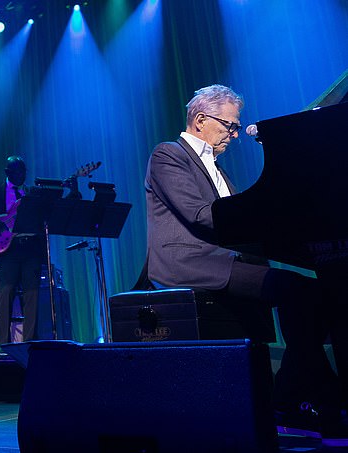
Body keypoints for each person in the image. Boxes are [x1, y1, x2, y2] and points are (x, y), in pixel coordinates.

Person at [144, 84, 347, 445]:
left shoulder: (218, 169)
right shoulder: (168, 155)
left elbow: (240, 225)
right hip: (188, 260)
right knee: (297, 291)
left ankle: (290, 398)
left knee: (318, 293)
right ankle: (316, 399)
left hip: (221, 258)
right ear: (201, 119)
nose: (235, 134)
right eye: (230, 126)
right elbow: (200, 216)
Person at [0, 156, 45, 354]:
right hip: (7, 250)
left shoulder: (31, 193)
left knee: (32, 295)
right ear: (8, 173)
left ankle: (30, 344)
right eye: (18, 172)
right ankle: (3, 346)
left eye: (24, 172)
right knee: (6, 295)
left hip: (30, 248)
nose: (22, 176)